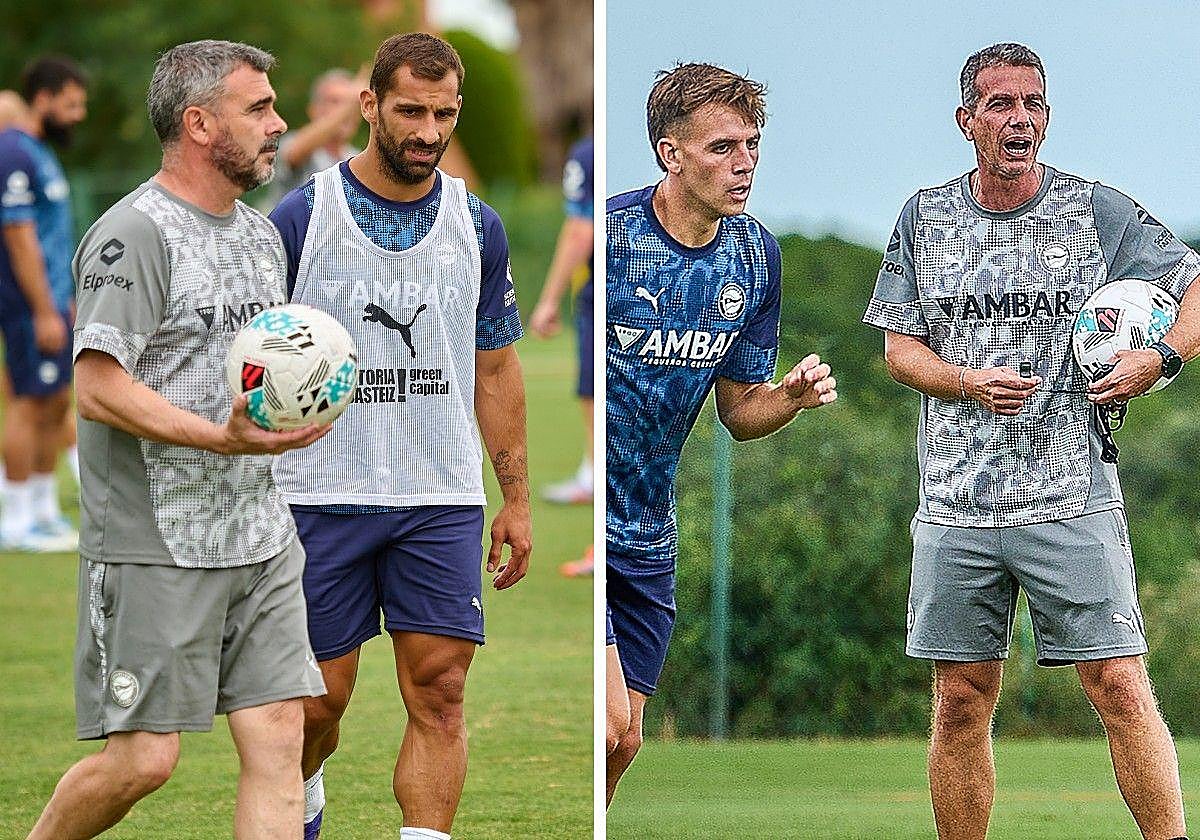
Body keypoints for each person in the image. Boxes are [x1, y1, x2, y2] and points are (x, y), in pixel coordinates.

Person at [863, 42, 1198, 840]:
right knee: (959, 701)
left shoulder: (1096, 210)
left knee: (1119, 685)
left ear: (1046, 117)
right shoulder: (924, 216)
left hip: (1071, 495)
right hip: (956, 507)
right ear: (966, 120)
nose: (1020, 119)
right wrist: (965, 381)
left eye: (1033, 104)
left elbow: (1196, 287)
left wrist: (1160, 357)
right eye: (1001, 104)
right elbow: (899, 349)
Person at [26, 39, 328, 839]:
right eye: (258, 108)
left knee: (280, 737)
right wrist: (219, 440)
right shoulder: (134, 233)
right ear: (199, 123)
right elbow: (96, 387)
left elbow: (262, 370)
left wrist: (300, 408)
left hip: (260, 537)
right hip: (156, 542)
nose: (279, 123)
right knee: (143, 761)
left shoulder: (261, 237)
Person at [268, 32, 532, 840]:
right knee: (316, 703)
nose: (428, 131)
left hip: (438, 494)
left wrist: (516, 498)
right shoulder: (302, 216)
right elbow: (255, 356)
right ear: (370, 105)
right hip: (319, 493)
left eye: (444, 114)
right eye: (411, 111)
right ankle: (305, 791)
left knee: (442, 692)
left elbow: (496, 367)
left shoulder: (477, 224)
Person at [605, 63, 838, 806]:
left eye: (752, 145)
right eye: (722, 147)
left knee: (627, 741)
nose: (744, 164)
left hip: (650, 531)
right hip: (591, 525)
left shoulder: (755, 256)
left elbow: (739, 414)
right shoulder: (611, 239)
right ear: (670, 154)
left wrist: (790, 399)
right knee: (606, 724)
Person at [0, 57, 87, 551]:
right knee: (29, 402)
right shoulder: (13, 151)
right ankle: (15, 522)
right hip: (27, 305)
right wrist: (41, 309)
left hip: (52, 300)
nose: (78, 115)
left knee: (55, 403)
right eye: (71, 104)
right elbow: (19, 237)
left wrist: (63, 299)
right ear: (44, 98)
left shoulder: (38, 152)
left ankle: (42, 510)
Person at [529, 134, 594, 574]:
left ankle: (601, 547)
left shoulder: (587, 153)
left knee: (600, 404)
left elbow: (578, 230)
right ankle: (589, 475)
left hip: (604, 296)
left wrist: (548, 299)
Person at [264, 67, 364, 209]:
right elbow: (295, 152)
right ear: (313, 109)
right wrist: (350, 104)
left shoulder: (357, 158)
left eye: (353, 104)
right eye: (335, 102)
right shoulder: (291, 143)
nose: (347, 112)